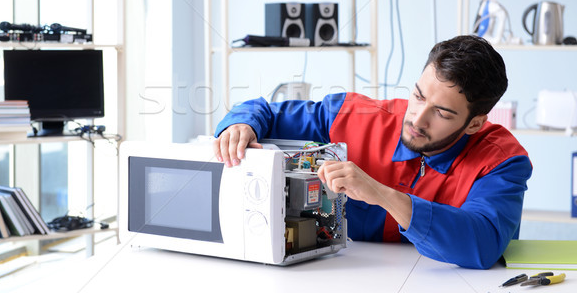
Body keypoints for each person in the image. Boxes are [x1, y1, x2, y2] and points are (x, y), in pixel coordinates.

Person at [213, 35, 532, 269]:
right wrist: (242, 125)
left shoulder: (503, 162)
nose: (417, 119)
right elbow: (266, 112)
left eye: (442, 113)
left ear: (474, 124)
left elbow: (484, 243)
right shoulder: (350, 115)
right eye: (418, 96)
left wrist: (381, 194)